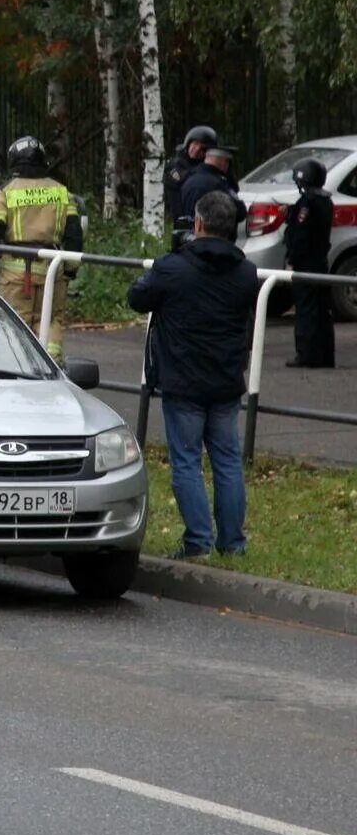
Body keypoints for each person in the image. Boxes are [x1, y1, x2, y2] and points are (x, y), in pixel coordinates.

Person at [128, 191, 260, 559]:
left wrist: (167, 259)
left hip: (182, 379)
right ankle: (233, 543)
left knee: (186, 460)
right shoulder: (246, 272)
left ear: (198, 223)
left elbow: (137, 297)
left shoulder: (173, 268)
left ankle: (198, 541)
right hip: (226, 379)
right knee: (228, 460)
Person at [0, 135, 81, 358]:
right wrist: (71, 269)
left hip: (16, 276)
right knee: (51, 322)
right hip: (51, 274)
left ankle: (18, 372)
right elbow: (74, 237)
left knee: (15, 327)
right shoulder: (62, 193)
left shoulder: (6, 192)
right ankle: (51, 369)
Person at [285, 158, 335, 368]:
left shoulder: (307, 203)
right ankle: (325, 355)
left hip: (305, 264)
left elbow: (300, 235)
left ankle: (306, 354)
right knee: (322, 309)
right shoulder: (325, 200)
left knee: (306, 310)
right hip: (320, 262)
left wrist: (291, 259)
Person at [177, 145, 245, 242]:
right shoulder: (219, 184)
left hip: (188, 242)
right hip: (216, 243)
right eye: (227, 162)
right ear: (224, 162)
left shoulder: (189, 179)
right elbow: (241, 212)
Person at [164, 125, 217, 247]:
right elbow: (183, 181)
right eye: (195, 144)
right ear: (188, 143)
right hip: (183, 224)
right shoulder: (176, 164)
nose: (196, 150)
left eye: (202, 148)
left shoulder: (205, 167)